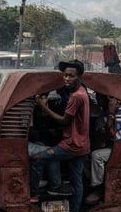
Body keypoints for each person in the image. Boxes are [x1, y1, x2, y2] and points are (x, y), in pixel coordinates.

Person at [30, 59, 90, 212]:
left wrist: (43, 107)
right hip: (82, 145)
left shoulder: (76, 97)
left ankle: (34, 195)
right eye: (65, 75)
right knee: (77, 182)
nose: (67, 79)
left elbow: (64, 121)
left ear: (79, 77)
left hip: (71, 146)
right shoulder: (83, 92)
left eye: (71, 76)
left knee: (38, 159)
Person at [85, 94, 121, 205]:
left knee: (96, 155)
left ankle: (100, 187)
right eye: (98, 97)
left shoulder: (120, 112)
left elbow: (111, 133)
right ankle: (95, 182)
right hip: (115, 145)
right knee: (85, 154)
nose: (100, 99)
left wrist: (112, 113)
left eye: (107, 98)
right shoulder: (107, 111)